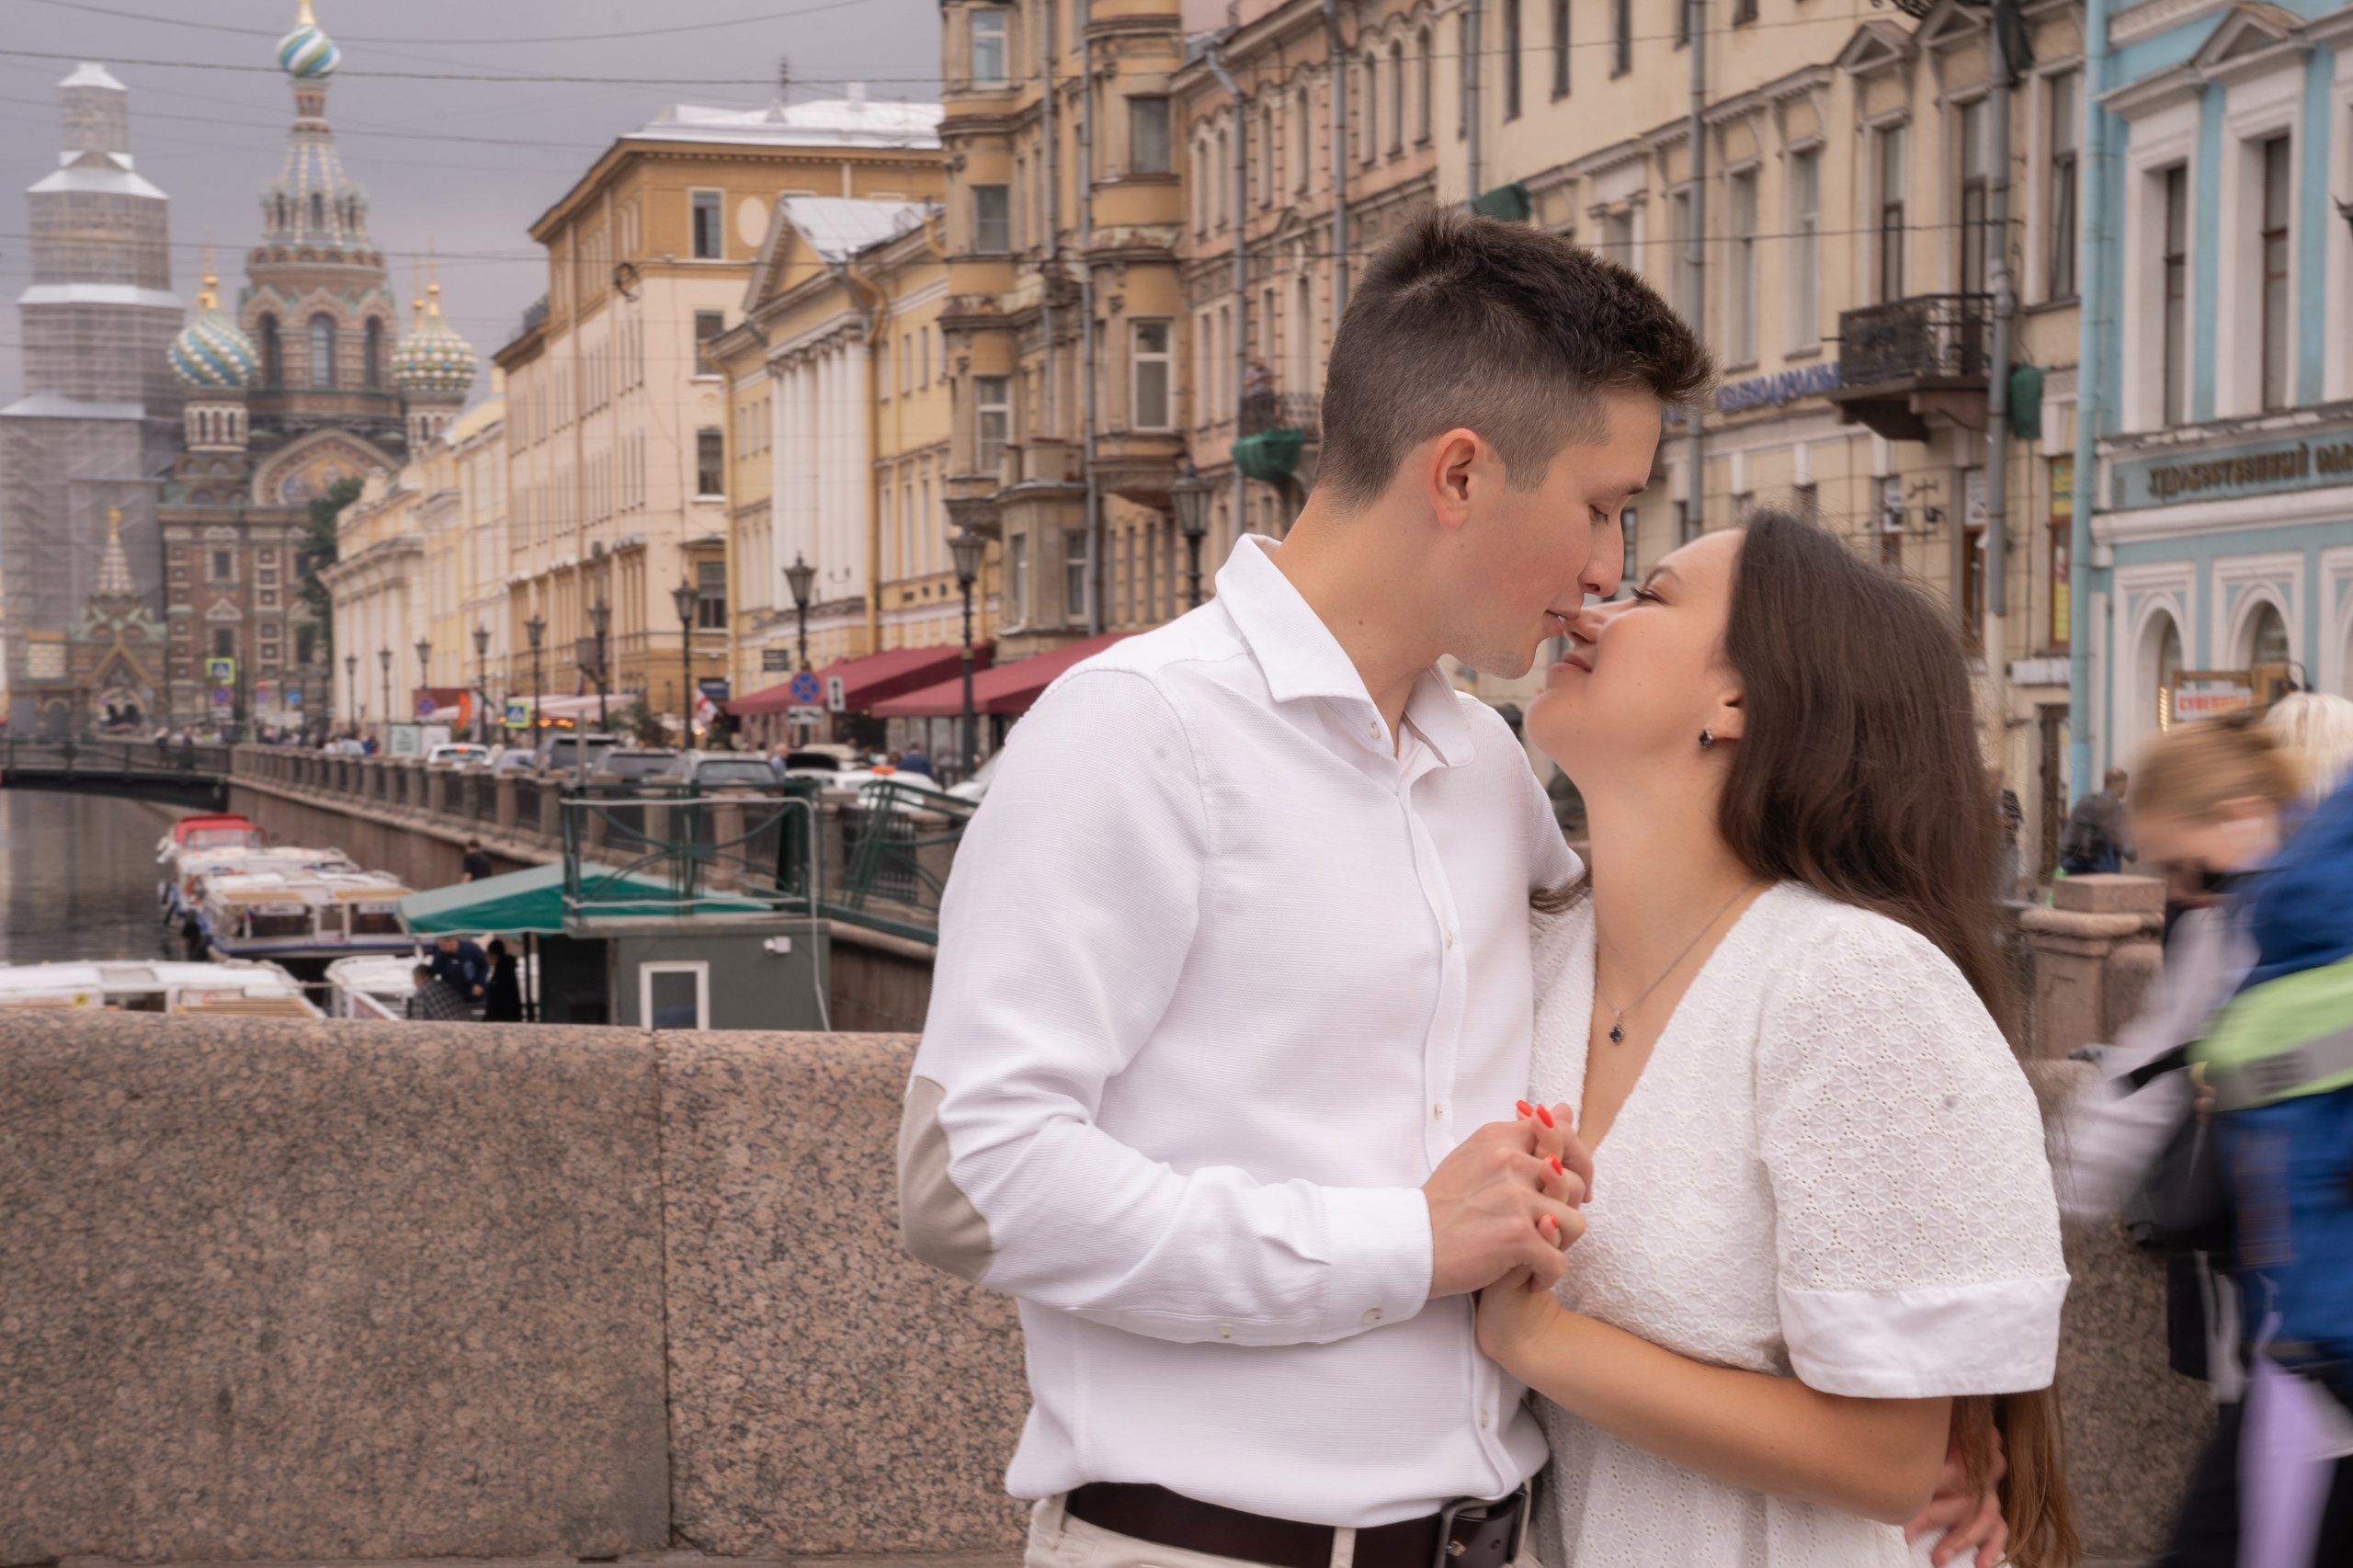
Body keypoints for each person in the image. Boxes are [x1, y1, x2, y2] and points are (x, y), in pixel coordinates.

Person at [900, 212, 2001, 1568]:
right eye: (1601, 508)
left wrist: (1926, 1426)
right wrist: (1401, 1244)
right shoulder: (1135, 729)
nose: (1603, 572)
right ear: (1463, 475)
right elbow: (967, 1176)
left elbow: (1692, 984)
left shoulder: (1489, 768)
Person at [1474, 514, 2072, 1568]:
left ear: (1738, 700)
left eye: (1650, 595)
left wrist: (1544, 1339)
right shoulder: (1532, 952)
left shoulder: (1849, 983)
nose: (1590, 604)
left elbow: (1888, 1459)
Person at [2051, 719, 2312, 1565]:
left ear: (2241, 818)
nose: (2178, 891)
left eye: (2179, 865)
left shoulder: (2274, 923)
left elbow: (2145, 1082)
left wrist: (2239, 1084)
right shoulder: (2244, 915)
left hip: (2309, 1329)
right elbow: (2150, 1074)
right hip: (2289, 1329)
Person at [2060, 767, 2132, 874]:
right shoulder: (2117, 808)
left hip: (2073, 865)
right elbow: (2128, 849)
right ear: (2121, 785)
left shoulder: (2085, 800)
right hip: (2102, 870)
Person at [429, 933, 488, 1003]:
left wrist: (479, 983)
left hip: (473, 993)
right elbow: (433, 971)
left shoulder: (471, 948)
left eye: (443, 945)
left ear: (452, 940)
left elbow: (484, 964)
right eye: (439, 946)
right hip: (452, 997)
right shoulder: (440, 955)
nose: (441, 948)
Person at [404, 963, 472, 1021]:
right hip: (468, 1023)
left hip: (449, 1030)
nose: (414, 983)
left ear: (417, 978)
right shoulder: (445, 985)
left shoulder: (421, 993)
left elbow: (419, 1021)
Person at [481, 937, 525, 1023]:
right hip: (509, 1019)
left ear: (492, 955)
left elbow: (496, 1003)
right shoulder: (506, 971)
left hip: (503, 1021)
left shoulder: (501, 975)